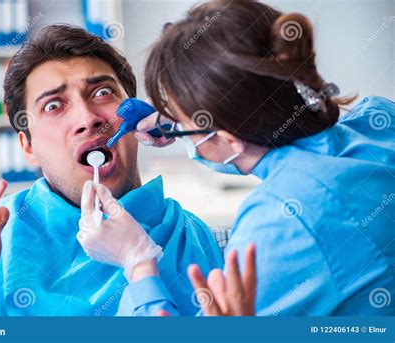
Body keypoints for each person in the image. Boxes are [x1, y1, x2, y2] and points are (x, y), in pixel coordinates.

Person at [77, 0, 395, 316]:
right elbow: (273, 147)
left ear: (227, 138)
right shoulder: (377, 117)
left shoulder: (277, 224)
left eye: (184, 124)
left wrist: (137, 262)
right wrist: (180, 122)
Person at [0, 24, 224, 316]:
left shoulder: (207, 249)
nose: (87, 118)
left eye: (102, 92)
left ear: (136, 115)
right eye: (53, 106)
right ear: (27, 147)